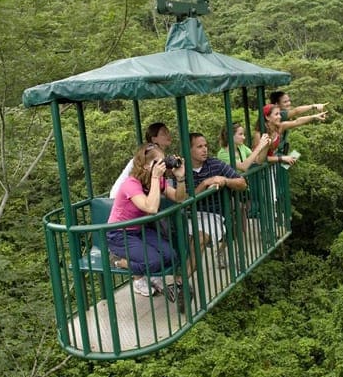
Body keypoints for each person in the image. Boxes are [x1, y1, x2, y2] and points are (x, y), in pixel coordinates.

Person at [106, 142, 188, 297]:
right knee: (154, 262)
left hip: (139, 229)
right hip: (119, 233)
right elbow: (150, 208)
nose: (162, 166)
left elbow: (179, 198)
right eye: (158, 163)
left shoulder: (156, 181)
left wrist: (180, 177)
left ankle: (144, 270)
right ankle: (118, 260)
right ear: (145, 166)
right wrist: (156, 177)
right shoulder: (131, 184)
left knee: (171, 255)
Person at [188, 133, 247, 267]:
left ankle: (180, 281)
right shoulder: (182, 170)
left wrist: (225, 181)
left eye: (206, 146)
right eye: (199, 147)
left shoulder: (215, 164)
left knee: (199, 239)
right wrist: (204, 184)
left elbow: (243, 183)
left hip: (213, 215)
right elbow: (184, 201)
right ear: (189, 149)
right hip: (190, 215)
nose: (205, 150)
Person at [109, 122, 173, 199]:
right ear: (154, 139)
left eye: (168, 132)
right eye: (164, 133)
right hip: (121, 197)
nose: (168, 135)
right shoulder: (146, 157)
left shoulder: (158, 155)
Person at [268, 91, 327, 155]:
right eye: (285, 102)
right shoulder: (279, 114)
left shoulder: (280, 116)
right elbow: (296, 111)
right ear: (277, 104)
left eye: (289, 101)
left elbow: (297, 121)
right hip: (274, 155)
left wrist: (314, 116)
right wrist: (314, 106)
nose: (289, 103)